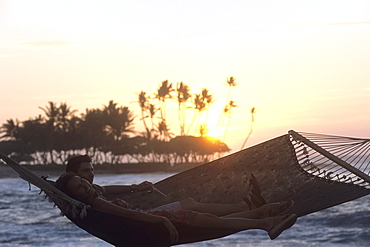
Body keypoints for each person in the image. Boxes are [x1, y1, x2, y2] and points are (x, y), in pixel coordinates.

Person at [55, 174, 298, 242]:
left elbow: (126, 210)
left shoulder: (95, 198)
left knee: (210, 220)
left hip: (155, 218)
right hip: (155, 221)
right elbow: (129, 214)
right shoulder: (95, 204)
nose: (85, 186)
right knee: (213, 221)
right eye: (79, 187)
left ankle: (264, 213)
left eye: (83, 182)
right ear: (74, 196)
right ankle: (265, 222)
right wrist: (162, 221)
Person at [64, 155, 283, 216]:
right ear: (72, 175)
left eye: (92, 171)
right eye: (85, 172)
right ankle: (248, 207)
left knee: (197, 210)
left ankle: (250, 208)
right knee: (189, 204)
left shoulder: (90, 190)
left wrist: (135, 188)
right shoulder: (77, 194)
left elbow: (107, 190)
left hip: (140, 218)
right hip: (142, 222)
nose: (90, 176)